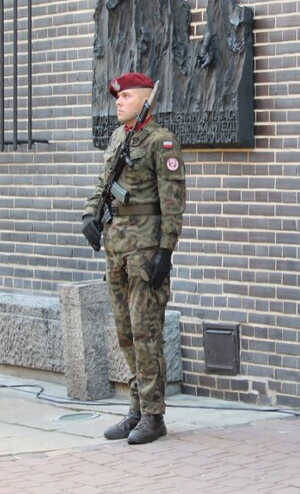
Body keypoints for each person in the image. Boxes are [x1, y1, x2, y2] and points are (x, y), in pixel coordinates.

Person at [82, 72, 186, 445]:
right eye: (117, 97)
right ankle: (136, 409)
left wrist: (165, 251)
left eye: (126, 96)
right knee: (125, 333)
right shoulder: (118, 138)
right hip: (116, 249)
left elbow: (172, 203)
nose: (119, 102)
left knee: (145, 333)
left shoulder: (162, 143)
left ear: (145, 100)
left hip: (145, 253)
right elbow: (103, 184)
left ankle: (154, 416)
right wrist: (89, 216)